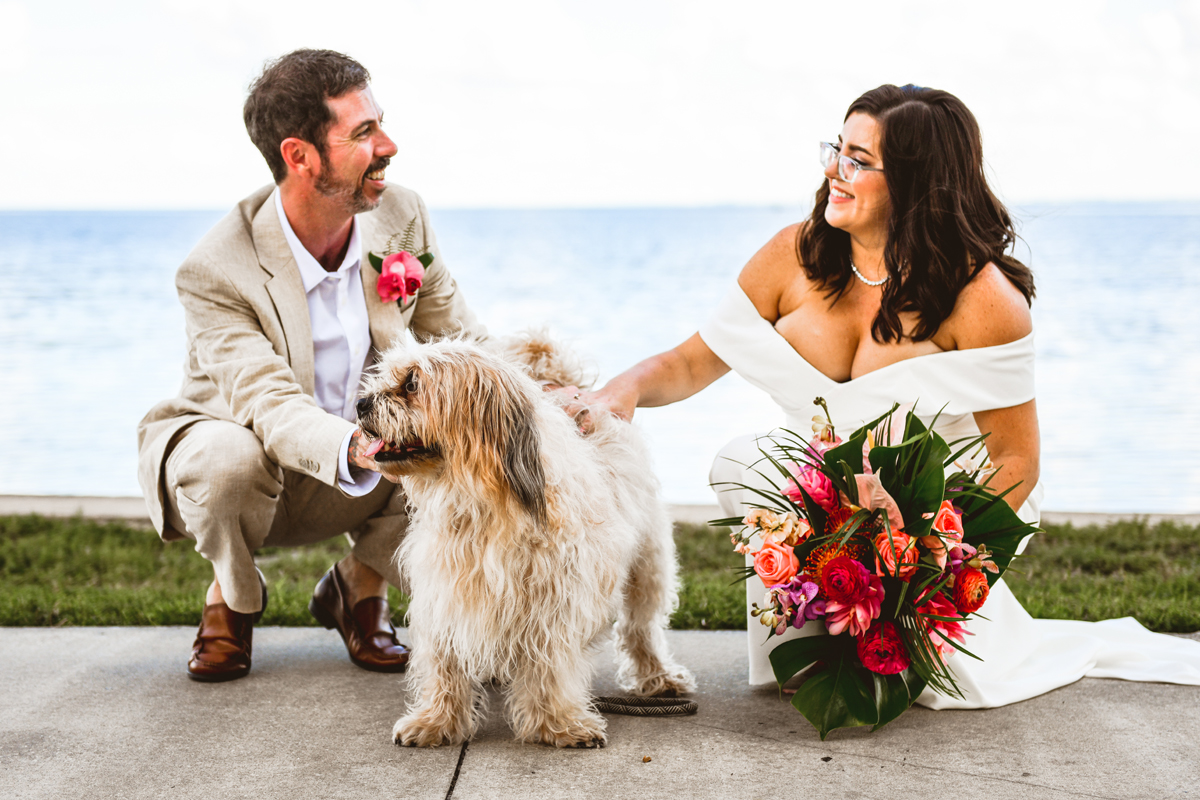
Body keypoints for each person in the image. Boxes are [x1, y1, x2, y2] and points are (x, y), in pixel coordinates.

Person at [582, 84, 1200, 706]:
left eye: (857, 160)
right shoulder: (793, 256)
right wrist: (622, 389)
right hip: (812, 508)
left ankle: (890, 632)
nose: (833, 172)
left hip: (924, 531)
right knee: (743, 460)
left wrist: (937, 568)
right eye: (836, 149)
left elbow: (1017, 461)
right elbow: (692, 361)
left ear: (914, 180)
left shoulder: (982, 300)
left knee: (931, 684)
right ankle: (805, 628)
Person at [136, 49, 488, 682]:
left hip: (368, 459)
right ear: (299, 156)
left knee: (464, 432)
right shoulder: (215, 269)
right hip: (253, 460)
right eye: (363, 133)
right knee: (225, 463)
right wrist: (366, 446)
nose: (389, 144)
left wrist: (545, 401)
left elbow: (463, 341)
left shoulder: (401, 215)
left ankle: (360, 585)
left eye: (380, 123)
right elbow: (267, 404)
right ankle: (232, 598)